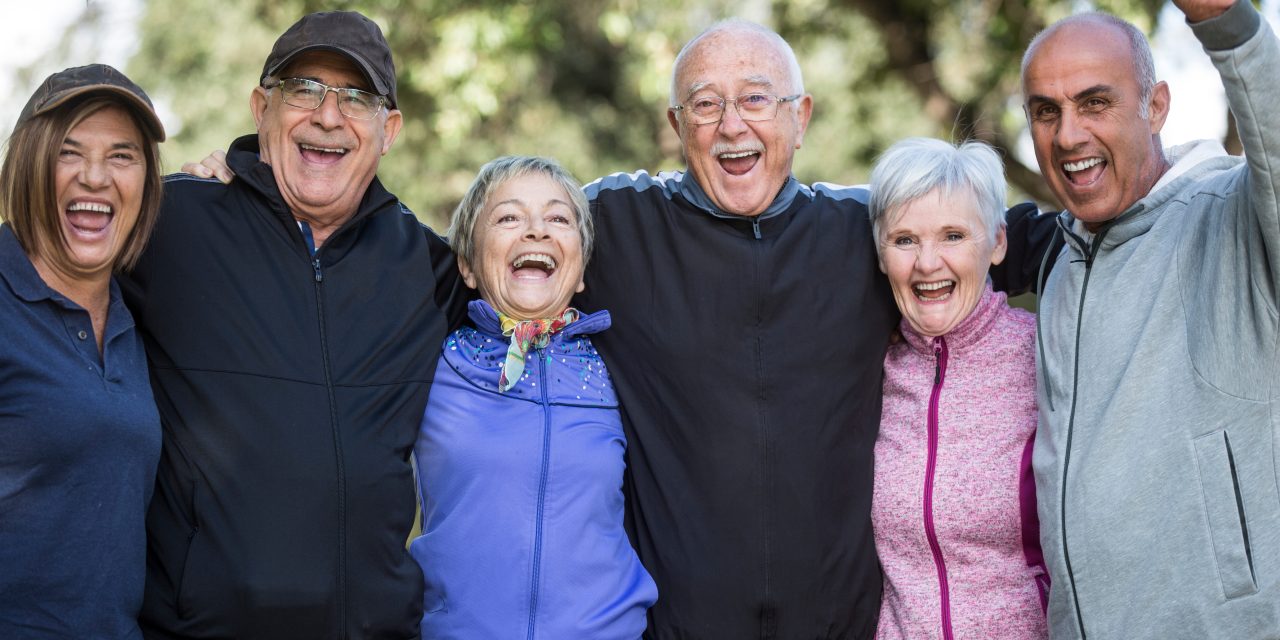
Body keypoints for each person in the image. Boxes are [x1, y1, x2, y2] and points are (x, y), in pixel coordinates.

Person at [185, 19, 1060, 637]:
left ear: (801, 117)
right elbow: (483, 250)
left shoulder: (861, 233)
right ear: (676, 127)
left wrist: (1109, 216)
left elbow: (977, 244)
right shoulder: (617, 226)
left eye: (756, 99)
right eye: (704, 105)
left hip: (838, 623)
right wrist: (246, 188)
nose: (731, 124)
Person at [120, 11, 467, 639]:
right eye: (304, 88)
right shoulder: (169, 225)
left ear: (389, 130)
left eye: (356, 98)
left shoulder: (429, 266)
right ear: (261, 109)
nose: (328, 116)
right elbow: (51, 263)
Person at [1022, 0, 1280, 636]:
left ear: (1156, 106)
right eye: (1046, 112)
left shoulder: (1233, 216)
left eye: (1095, 102)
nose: (1069, 134)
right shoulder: (1060, 259)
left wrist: (1226, 24)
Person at [409, 155, 656, 639]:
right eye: (508, 217)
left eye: (558, 218)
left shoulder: (620, 372)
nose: (536, 231)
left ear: (582, 268)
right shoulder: (430, 365)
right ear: (467, 265)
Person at [0, 64, 165, 638]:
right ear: (28, 164)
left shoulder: (135, 318)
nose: (95, 177)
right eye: (69, 153)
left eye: (122, 156)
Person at [866, 138, 1047, 640]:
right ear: (881, 255)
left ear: (997, 244)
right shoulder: (868, 368)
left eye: (952, 236)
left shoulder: (1048, 357)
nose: (927, 263)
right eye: (904, 240)